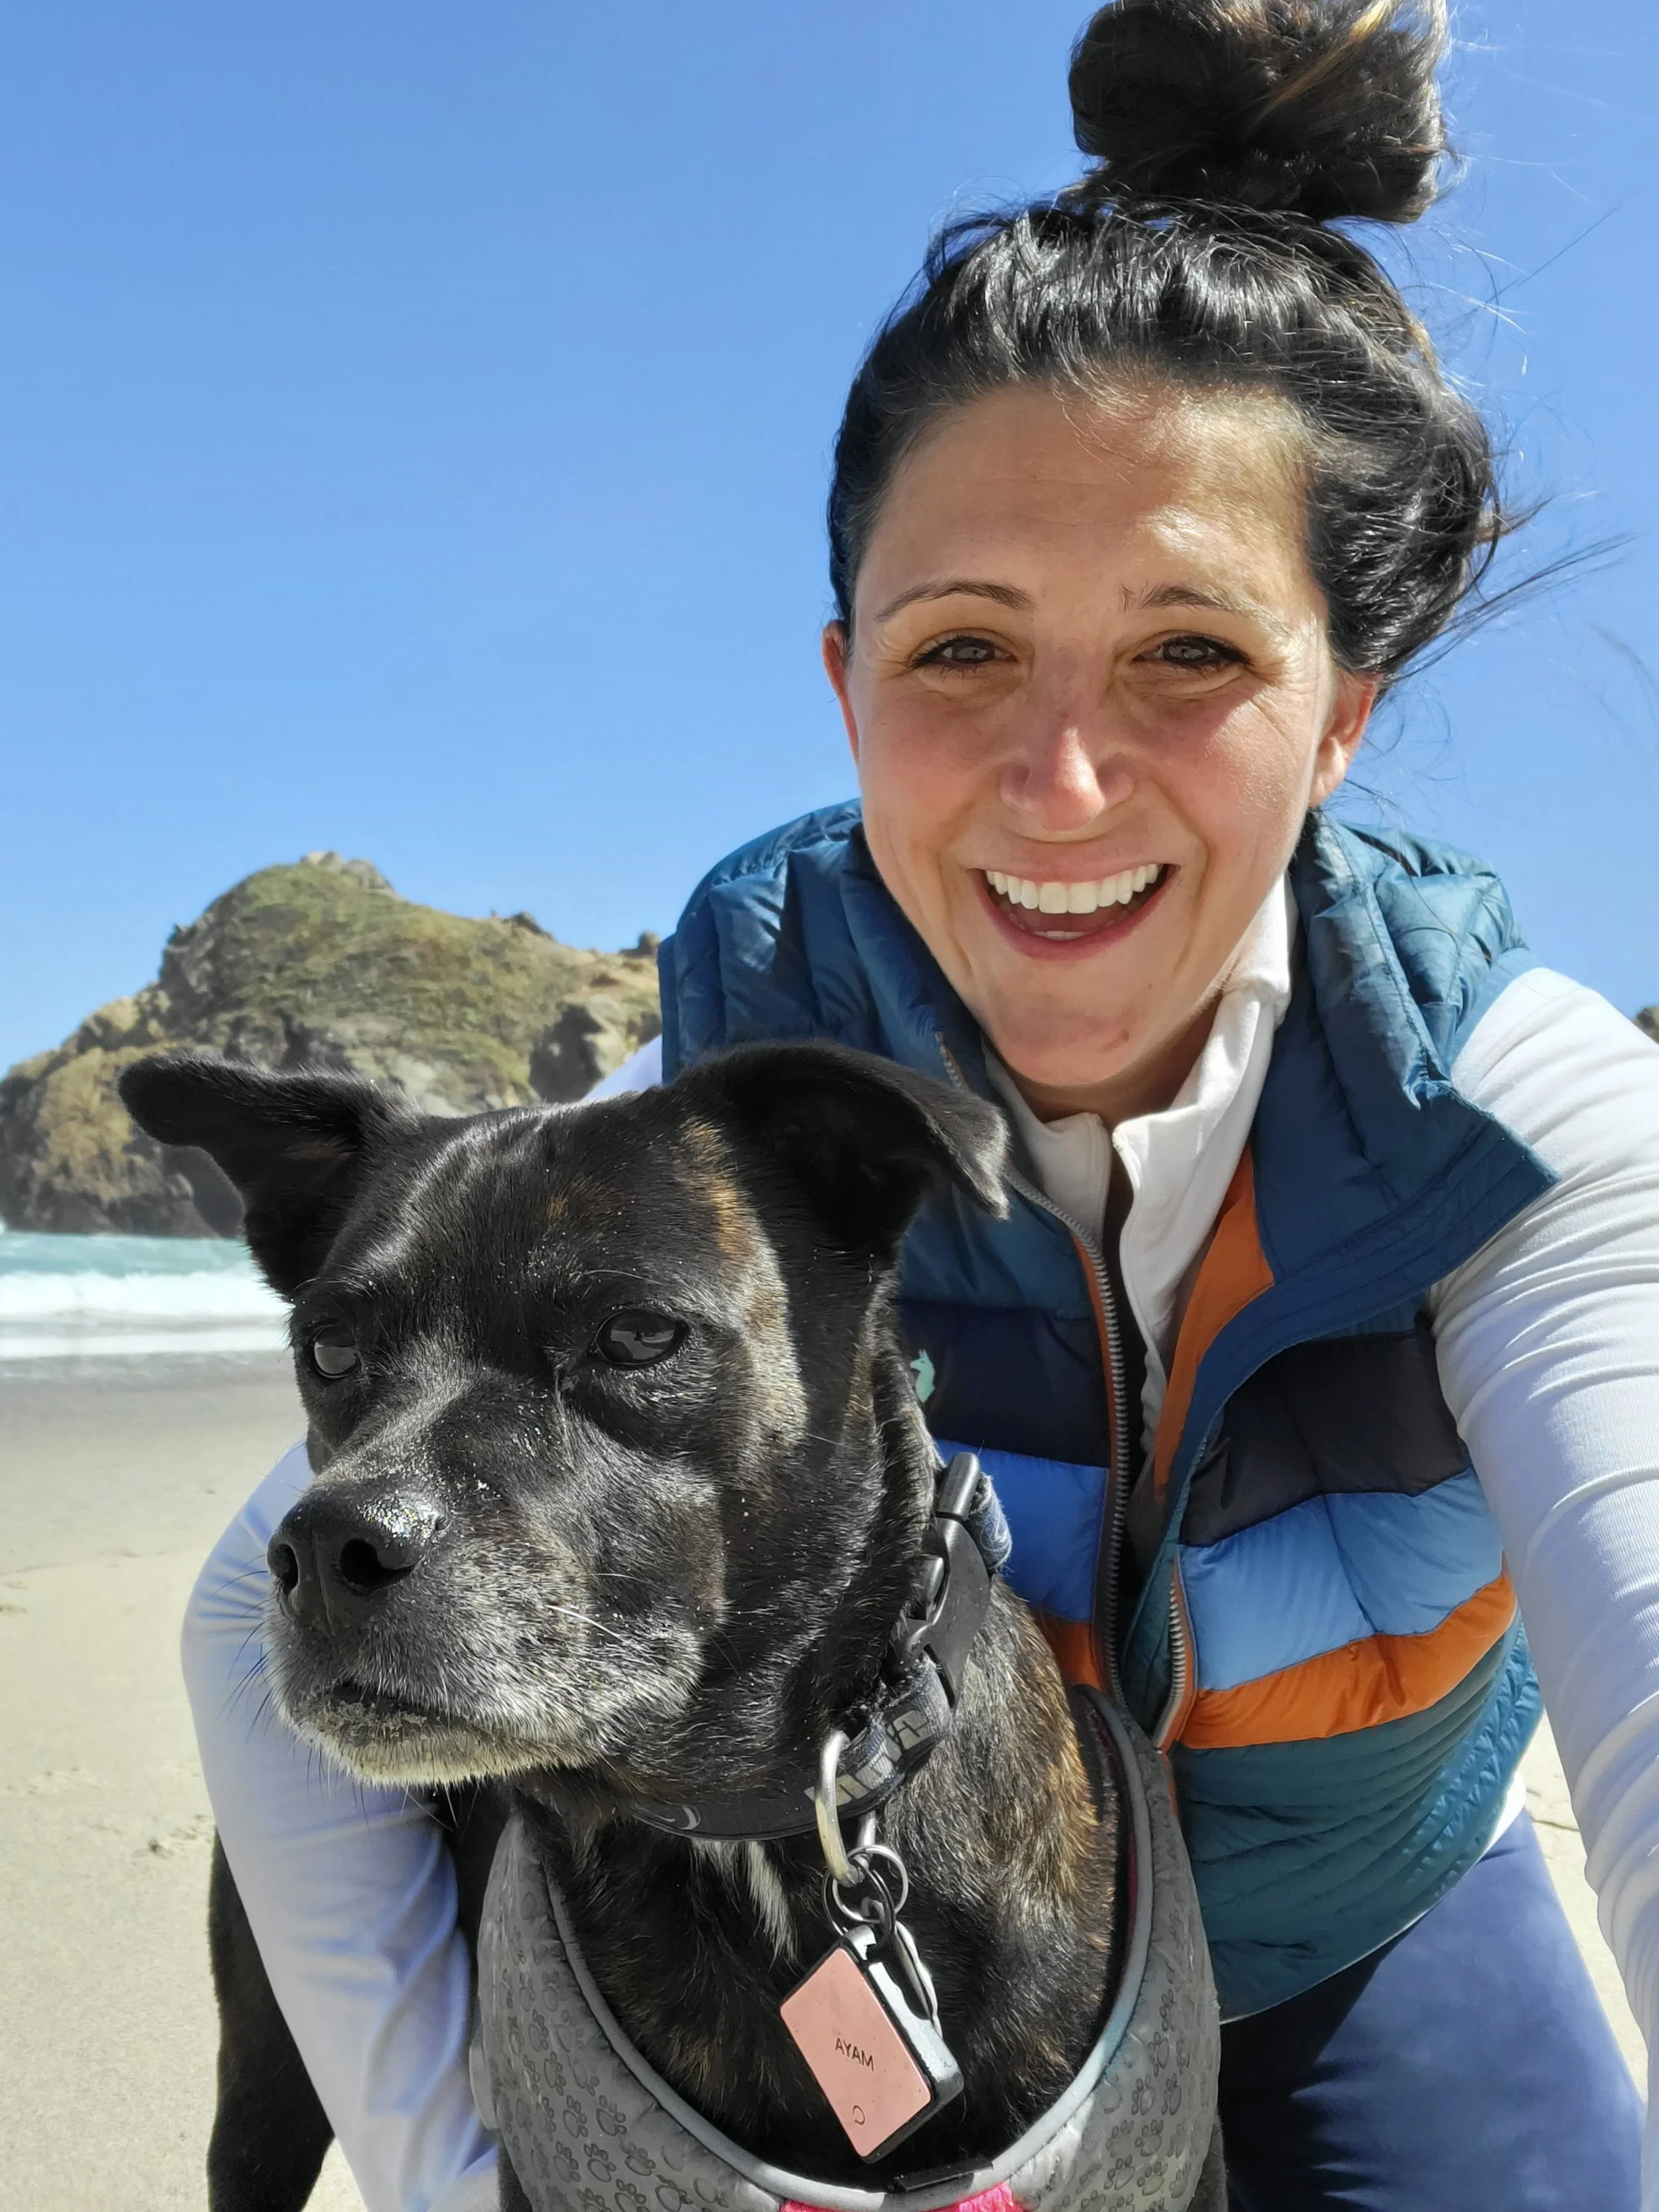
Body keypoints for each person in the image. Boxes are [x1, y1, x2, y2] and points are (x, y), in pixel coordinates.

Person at [183, 3, 1659, 2207]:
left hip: (1357, 1926)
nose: (1060, 783)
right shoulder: (756, 1064)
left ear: (1341, 717)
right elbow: (255, 1611)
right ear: (844, 679)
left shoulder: (1517, 1119)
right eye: (960, 648)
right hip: (874, 1908)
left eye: (1191, 653)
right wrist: (449, 2163)